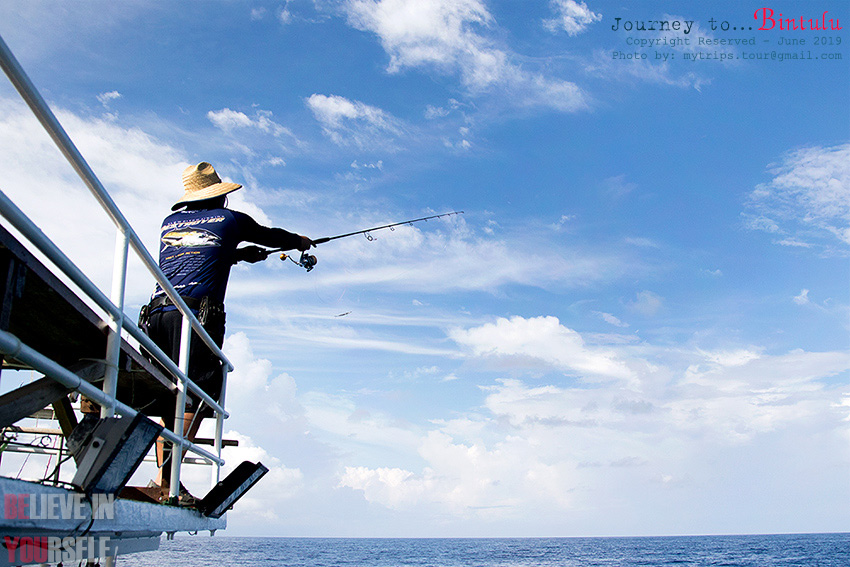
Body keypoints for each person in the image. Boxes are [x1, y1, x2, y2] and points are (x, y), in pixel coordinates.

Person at [142, 162, 313, 502]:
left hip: (155, 315)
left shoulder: (170, 222)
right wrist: (300, 241)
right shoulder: (229, 220)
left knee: (168, 397)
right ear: (220, 197)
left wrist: (238, 256)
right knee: (201, 395)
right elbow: (271, 236)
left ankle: (165, 480)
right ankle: (165, 479)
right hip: (195, 317)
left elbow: (195, 253)